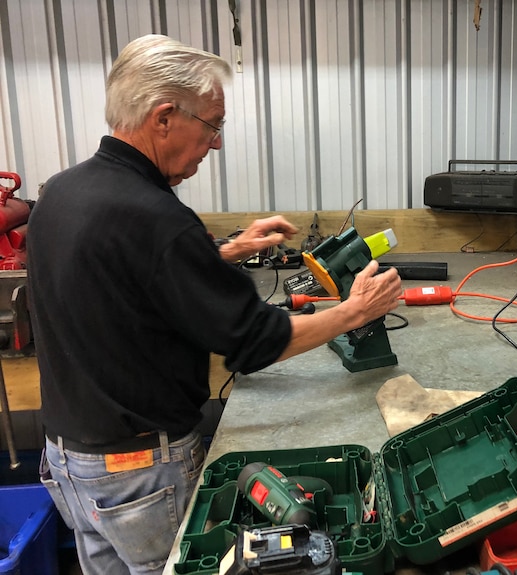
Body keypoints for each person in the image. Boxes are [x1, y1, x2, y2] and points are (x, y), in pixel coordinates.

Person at [27, 34, 402, 575]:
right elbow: (252, 343)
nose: (217, 143)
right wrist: (354, 311)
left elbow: (124, 283)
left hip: (68, 462)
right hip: (140, 473)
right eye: (212, 125)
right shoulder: (158, 219)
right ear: (162, 117)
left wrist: (226, 251)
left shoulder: (60, 194)